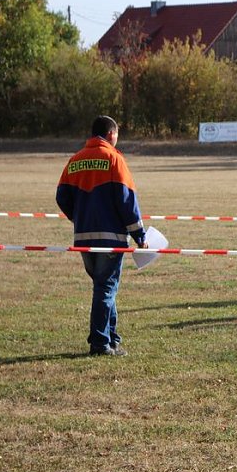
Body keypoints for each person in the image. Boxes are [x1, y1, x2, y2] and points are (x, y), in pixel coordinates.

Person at [56, 115, 148, 356]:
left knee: (105, 287)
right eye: (117, 135)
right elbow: (127, 201)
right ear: (110, 134)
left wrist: (78, 218)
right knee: (106, 289)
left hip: (83, 238)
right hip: (111, 239)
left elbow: (62, 197)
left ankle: (112, 337)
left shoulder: (75, 160)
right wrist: (139, 234)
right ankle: (99, 343)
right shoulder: (114, 159)